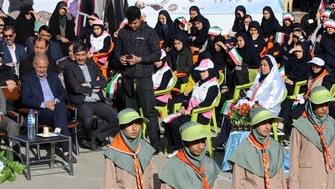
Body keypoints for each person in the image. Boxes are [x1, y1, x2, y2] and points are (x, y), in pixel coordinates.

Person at [114, 6, 161, 153]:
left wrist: (139, 59)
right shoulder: (123, 32)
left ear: (140, 18)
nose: (133, 26)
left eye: (135, 23)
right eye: (131, 23)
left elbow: (156, 54)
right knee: (130, 115)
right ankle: (132, 145)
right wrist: (120, 58)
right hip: (128, 78)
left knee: (149, 113)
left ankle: (155, 145)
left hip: (144, 79)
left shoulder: (150, 32)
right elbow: (116, 52)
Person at [64, 42, 119, 150]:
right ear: (74, 55)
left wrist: (89, 84)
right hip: (81, 101)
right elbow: (75, 88)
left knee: (116, 118)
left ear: (87, 54)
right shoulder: (69, 68)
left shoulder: (92, 65)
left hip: (97, 100)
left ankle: (96, 137)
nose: (80, 58)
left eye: (83, 55)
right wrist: (93, 88)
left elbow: (103, 82)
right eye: (78, 55)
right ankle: (91, 139)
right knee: (88, 120)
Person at [20, 54, 75, 163]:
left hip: (57, 107)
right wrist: (44, 104)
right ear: (34, 65)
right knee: (62, 113)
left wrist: (54, 102)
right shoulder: (28, 79)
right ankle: (66, 150)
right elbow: (26, 99)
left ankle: (57, 131)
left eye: (44, 67)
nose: (42, 70)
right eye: (39, 67)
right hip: (42, 111)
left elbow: (63, 94)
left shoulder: (53, 76)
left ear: (47, 66)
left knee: (61, 108)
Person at [163, 58, 219, 153]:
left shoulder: (213, 86)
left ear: (210, 71)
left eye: (203, 71)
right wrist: (183, 106)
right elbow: (189, 97)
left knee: (175, 124)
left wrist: (192, 111)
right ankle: (174, 148)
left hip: (200, 115)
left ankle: (180, 150)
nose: (201, 73)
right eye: (200, 71)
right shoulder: (199, 82)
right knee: (167, 122)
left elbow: (207, 103)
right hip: (190, 112)